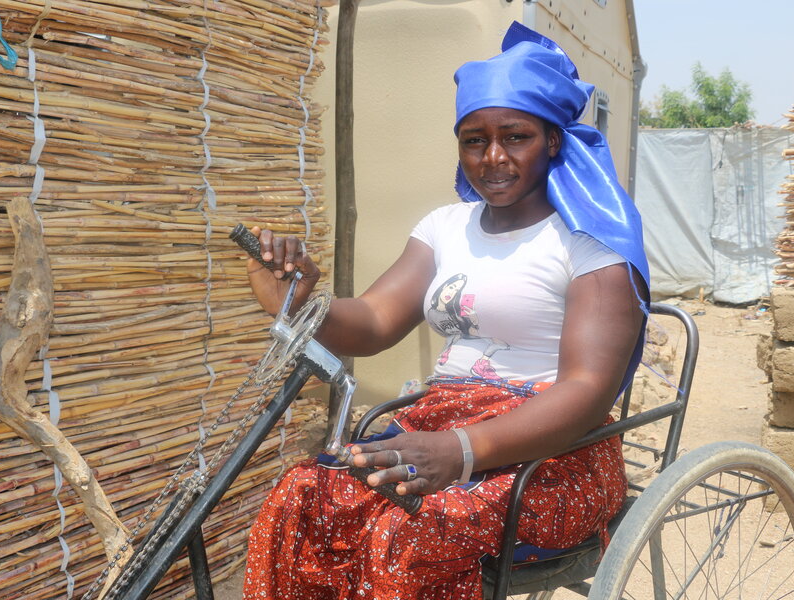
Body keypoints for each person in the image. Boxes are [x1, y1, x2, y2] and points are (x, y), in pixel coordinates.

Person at [241, 21, 649, 600]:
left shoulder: (592, 240)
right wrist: (297, 299)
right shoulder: (445, 228)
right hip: (441, 425)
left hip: (552, 455)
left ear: (554, 140)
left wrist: (462, 451)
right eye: (474, 139)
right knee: (302, 498)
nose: (493, 157)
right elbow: (373, 323)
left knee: (403, 533)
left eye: (516, 136)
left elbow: (588, 389)